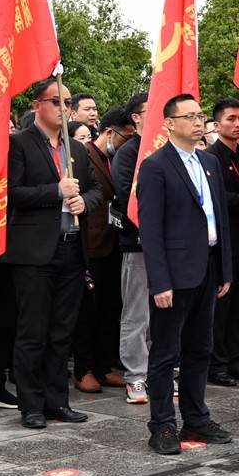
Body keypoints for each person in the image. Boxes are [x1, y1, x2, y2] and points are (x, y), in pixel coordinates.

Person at [2, 78, 103, 429]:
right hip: (34, 253)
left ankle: (57, 401)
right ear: (37, 106)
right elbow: (12, 194)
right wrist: (55, 192)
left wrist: (82, 201)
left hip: (72, 250)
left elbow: (95, 192)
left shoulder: (75, 150)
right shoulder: (19, 144)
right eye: (55, 101)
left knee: (63, 332)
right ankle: (31, 405)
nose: (63, 108)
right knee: (33, 332)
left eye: (67, 102)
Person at [137, 94, 233, 454]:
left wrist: (224, 267)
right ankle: (162, 425)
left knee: (200, 348)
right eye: (189, 116)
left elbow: (219, 217)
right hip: (175, 275)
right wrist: (160, 280)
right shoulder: (156, 166)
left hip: (207, 267)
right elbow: (151, 229)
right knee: (165, 353)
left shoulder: (208, 162)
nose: (197, 122)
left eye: (200, 115)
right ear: (169, 123)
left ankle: (196, 418)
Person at [72, 107, 135, 393]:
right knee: (89, 310)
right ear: (110, 132)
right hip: (92, 242)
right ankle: (84, 368)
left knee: (113, 308)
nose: (127, 143)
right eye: (125, 137)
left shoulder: (119, 159)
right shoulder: (82, 154)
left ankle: (105, 364)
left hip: (116, 241)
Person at [205, 99, 239, 387]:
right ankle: (217, 363)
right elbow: (216, 198)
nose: (238, 124)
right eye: (231, 119)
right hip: (224, 242)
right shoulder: (210, 158)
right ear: (217, 125)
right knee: (221, 306)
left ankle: (236, 357)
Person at [111, 93, 152, 405]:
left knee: (164, 312)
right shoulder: (128, 153)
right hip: (138, 244)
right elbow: (128, 199)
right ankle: (136, 375)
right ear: (136, 117)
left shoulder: (169, 149)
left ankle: (160, 371)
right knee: (136, 312)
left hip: (170, 246)